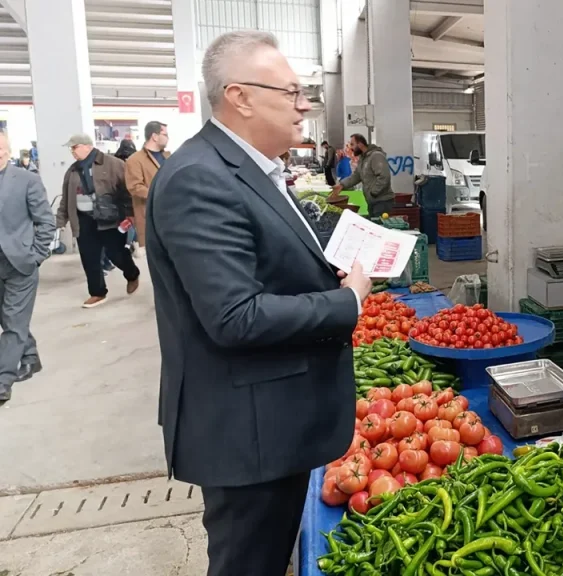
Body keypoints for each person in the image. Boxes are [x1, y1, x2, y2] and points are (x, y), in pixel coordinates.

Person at [145, 30, 372, 576]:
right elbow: (234, 316)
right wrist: (348, 303)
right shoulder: (201, 178)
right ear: (239, 96)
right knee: (249, 562)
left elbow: (264, 264)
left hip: (271, 418)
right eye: (291, 92)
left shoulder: (254, 169)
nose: (304, 107)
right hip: (247, 433)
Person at [55, 134, 141, 308]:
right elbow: (66, 199)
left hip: (110, 218)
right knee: (89, 257)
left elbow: (127, 190)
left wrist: (130, 213)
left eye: (74, 147)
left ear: (87, 146)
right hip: (83, 220)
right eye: (71, 148)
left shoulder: (113, 164)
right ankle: (97, 293)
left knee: (115, 253)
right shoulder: (72, 171)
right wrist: (60, 222)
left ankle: (132, 273)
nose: (72, 151)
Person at [0, 132, 55, 402]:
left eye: (1, 149)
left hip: (20, 263)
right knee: (10, 318)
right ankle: (31, 357)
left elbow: (45, 221)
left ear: (8, 151)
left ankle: (3, 380)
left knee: (12, 321)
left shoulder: (27, 181)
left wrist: (36, 256)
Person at [125, 121, 170, 257]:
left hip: (172, 215)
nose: (168, 138)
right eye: (165, 134)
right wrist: (160, 193)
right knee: (159, 261)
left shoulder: (168, 156)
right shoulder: (135, 160)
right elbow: (135, 187)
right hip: (151, 217)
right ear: (154, 136)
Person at [339, 133, 394, 217]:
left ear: (360, 144)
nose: (351, 148)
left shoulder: (376, 156)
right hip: (372, 201)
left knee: (379, 227)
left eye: (352, 144)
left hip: (382, 202)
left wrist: (373, 192)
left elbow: (384, 176)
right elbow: (356, 176)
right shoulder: (363, 158)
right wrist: (341, 185)